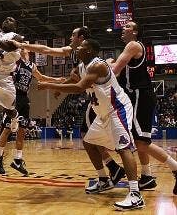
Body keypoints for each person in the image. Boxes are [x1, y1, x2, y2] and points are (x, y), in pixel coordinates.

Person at [37, 39, 144, 210]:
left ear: (89, 51)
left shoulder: (98, 66)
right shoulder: (81, 66)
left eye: (81, 46)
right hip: (103, 112)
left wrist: (49, 86)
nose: (77, 48)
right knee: (88, 141)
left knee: (124, 148)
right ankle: (103, 179)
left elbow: (79, 87)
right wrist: (59, 87)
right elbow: (75, 79)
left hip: (118, 109)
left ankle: (135, 194)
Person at [12, 28, 126, 185]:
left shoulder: (93, 61)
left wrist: (20, 45)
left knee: (122, 144)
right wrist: (62, 85)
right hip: (96, 99)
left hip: (109, 101)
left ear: (82, 39)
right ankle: (112, 169)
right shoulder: (75, 54)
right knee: (89, 137)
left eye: (73, 35)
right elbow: (47, 50)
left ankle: (126, 178)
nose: (70, 37)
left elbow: (80, 84)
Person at [108, 21, 177, 194]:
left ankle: (175, 167)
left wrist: (104, 63)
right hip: (138, 97)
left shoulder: (132, 45)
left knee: (141, 143)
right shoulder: (132, 48)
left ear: (136, 32)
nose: (123, 28)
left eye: (128, 27)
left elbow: (115, 70)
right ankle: (146, 177)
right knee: (140, 141)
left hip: (140, 96)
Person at [0, 45, 65, 175]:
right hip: (13, 96)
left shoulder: (32, 66)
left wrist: (57, 80)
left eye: (24, 45)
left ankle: (17, 160)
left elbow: (41, 77)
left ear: (28, 50)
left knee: (22, 130)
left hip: (24, 99)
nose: (21, 47)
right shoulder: (15, 61)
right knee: (7, 129)